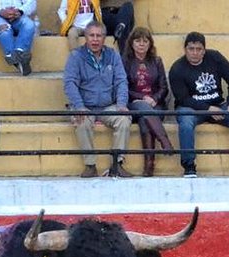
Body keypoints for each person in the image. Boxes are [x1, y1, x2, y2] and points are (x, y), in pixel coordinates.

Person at [169, 31, 229, 178]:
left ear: (204, 50)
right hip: (191, 108)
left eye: (199, 49)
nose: (195, 53)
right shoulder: (177, 69)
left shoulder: (215, 57)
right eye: (191, 49)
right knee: (185, 121)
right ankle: (189, 166)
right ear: (185, 49)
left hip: (218, 105)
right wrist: (207, 109)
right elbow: (183, 98)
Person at [63, 20, 132, 178]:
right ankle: (90, 165)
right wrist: (79, 106)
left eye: (99, 36)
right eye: (91, 35)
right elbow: (70, 83)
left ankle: (117, 164)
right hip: (84, 105)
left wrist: (121, 104)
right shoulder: (76, 56)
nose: (95, 39)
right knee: (81, 121)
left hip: (108, 106)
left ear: (104, 38)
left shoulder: (113, 55)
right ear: (85, 37)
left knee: (124, 119)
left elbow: (121, 81)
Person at [122, 26, 173, 177]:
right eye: (138, 41)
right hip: (133, 102)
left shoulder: (157, 61)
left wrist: (155, 98)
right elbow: (122, 87)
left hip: (156, 105)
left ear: (150, 44)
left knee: (146, 119)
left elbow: (164, 87)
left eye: (145, 41)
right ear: (131, 43)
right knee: (143, 108)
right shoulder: (125, 61)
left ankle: (149, 166)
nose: (142, 44)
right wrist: (141, 97)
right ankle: (164, 141)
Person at [59, 0, 133, 50]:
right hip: (78, 26)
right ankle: (76, 58)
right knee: (72, 33)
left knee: (99, 33)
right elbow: (61, 11)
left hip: (92, 25)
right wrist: (67, 23)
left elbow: (98, 10)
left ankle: (121, 26)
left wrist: (99, 23)